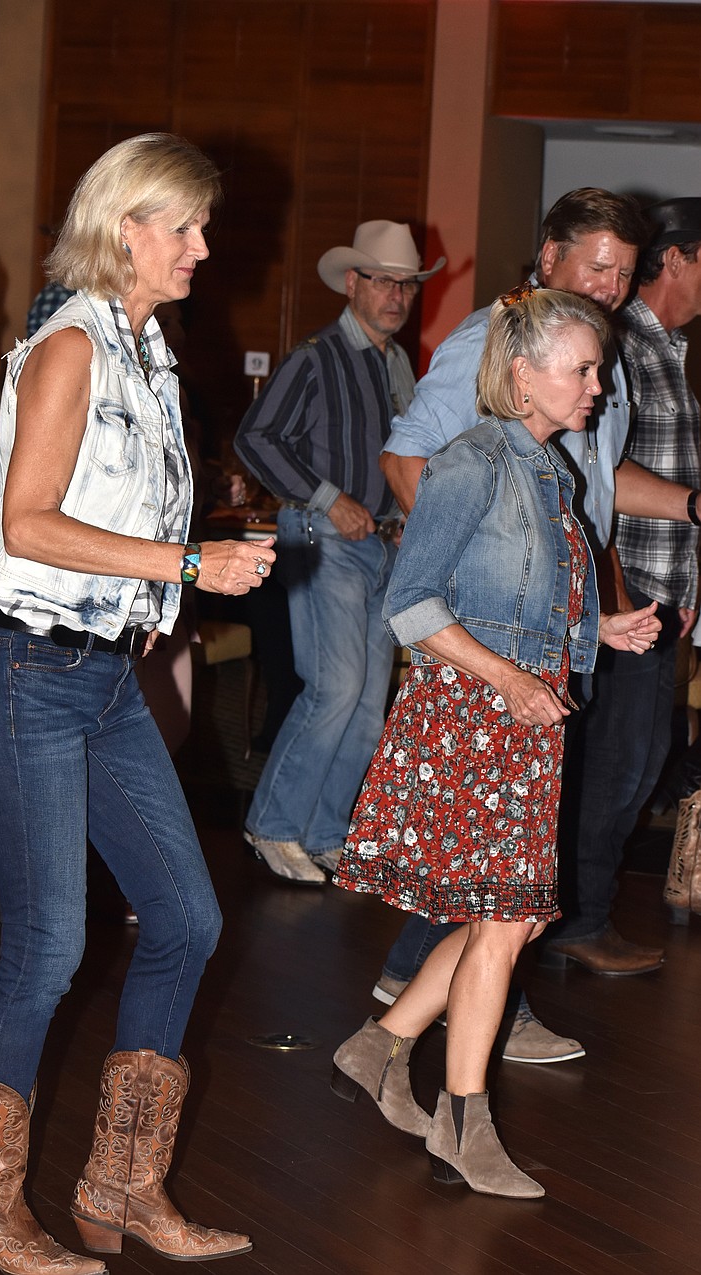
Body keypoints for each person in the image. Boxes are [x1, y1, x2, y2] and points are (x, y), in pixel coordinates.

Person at [0, 133, 274, 1272]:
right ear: (125, 225)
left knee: (186, 919)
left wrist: (204, 549)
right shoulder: (74, 343)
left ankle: (122, 1186)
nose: (201, 246)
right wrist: (185, 568)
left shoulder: (151, 349)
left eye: (201, 225)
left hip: (101, 676)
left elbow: (122, 519)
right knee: (44, 950)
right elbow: (24, 524)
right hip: (24, 671)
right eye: (181, 226)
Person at [331, 288, 661, 1199]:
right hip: (475, 719)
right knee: (505, 921)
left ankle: (380, 1045)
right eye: (583, 368)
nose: (598, 385)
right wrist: (513, 680)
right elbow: (412, 605)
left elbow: (520, 602)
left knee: (498, 918)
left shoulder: (549, 469)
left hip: (518, 720)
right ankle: (461, 1120)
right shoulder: (470, 462)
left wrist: (602, 630)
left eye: (597, 368)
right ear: (524, 376)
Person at [375, 187, 697, 994]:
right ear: (549, 256)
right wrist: (475, 573)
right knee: (486, 849)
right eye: (597, 267)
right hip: (492, 641)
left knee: (509, 851)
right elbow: (411, 460)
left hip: (554, 632)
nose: (611, 287)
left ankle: (448, 1006)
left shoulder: (591, 358)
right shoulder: (496, 340)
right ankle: (424, 1002)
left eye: (624, 274)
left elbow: (595, 485)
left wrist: (683, 512)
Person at [234, 220, 444, 884]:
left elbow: (405, 456)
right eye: (383, 280)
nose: (397, 294)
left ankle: (325, 832)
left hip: (382, 548)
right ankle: (271, 825)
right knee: (336, 689)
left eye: (406, 284)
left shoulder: (396, 363)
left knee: (364, 703)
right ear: (352, 282)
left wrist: (410, 516)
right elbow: (256, 438)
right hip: (325, 539)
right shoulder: (318, 354)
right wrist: (330, 499)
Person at [546, 198, 701, 965]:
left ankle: (581, 919)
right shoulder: (621, 347)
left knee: (636, 762)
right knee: (612, 764)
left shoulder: (663, 348)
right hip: (623, 591)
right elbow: (596, 476)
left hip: (658, 592)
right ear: (679, 258)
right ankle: (573, 924)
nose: (611, 283)